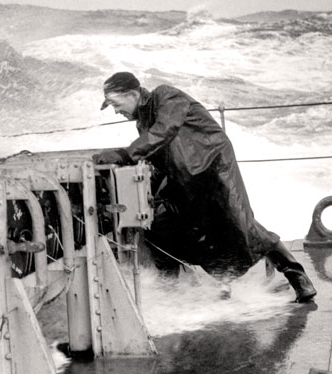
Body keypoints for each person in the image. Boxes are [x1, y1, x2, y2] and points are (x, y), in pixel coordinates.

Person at [93, 72, 317, 302]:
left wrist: (124, 155)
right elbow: (157, 155)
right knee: (164, 225)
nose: (116, 111)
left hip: (214, 169)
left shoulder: (165, 96)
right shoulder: (143, 122)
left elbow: (165, 131)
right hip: (185, 177)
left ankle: (297, 276)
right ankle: (183, 288)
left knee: (242, 225)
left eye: (116, 105)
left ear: (132, 94)